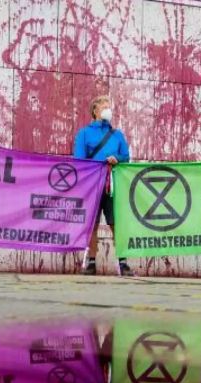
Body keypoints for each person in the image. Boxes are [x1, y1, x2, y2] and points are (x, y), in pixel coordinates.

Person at [73, 95, 134, 276]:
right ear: (95, 111)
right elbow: (79, 159)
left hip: (112, 185)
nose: (108, 109)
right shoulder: (84, 133)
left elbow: (126, 157)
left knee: (116, 223)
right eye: (104, 106)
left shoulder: (117, 135)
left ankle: (122, 262)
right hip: (92, 186)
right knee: (92, 224)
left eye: (109, 106)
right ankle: (91, 262)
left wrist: (118, 159)